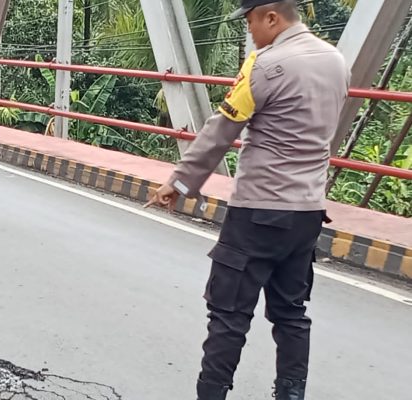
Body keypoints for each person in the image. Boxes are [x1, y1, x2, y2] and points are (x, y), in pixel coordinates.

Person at [144, 1, 350, 399]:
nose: (249, 32)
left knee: (229, 316)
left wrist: (180, 182)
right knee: (291, 314)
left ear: (272, 17)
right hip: (307, 213)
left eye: (252, 21)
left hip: (258, 211)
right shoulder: (335, 61)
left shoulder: (265, 65)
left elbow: (220, 130)